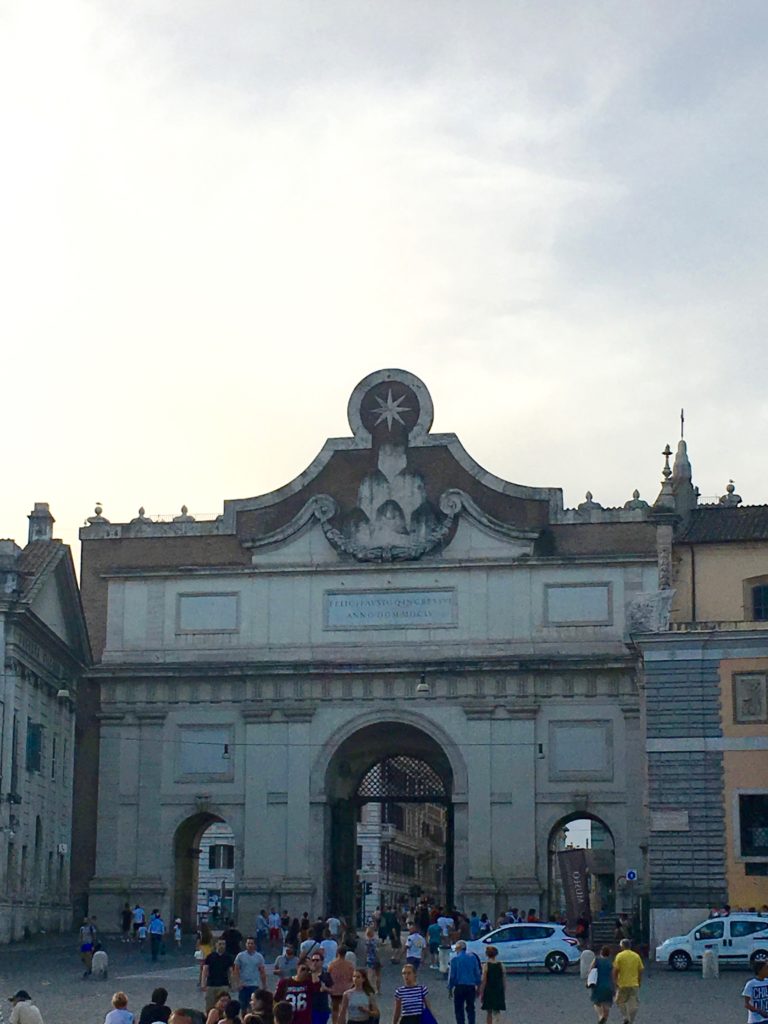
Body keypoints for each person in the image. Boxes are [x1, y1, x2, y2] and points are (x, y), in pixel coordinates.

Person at [448, 940, 481, 1024]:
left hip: (459, 987)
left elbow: (452, 976)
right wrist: (478, 986)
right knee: (471, 1008)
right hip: (470, 987)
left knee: (459, 1009)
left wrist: (450, 988)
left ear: (458, 949)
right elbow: (477, 972)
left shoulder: (455, 959)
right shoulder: (473, 958)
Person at [612, 938, 644, 1024]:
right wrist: (639, 980)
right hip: (634, 983)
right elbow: (640, 970)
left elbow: (615, 970)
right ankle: (631, 1020)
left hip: (622, 983)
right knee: (633, 1002)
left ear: (622, 946)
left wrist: (615, 981)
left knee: (619, 1001)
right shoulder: (636, 956)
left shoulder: (619, 956)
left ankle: (625, 1016)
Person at [234, 937, 269, 1009]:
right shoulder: (240, 956)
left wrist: (264, 985)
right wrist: (238, 983)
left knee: (254, 1006)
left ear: (254, 945)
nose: (250, 945)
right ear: (246, 945)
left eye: (251, 943)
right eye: (248, 943)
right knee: (243, 1006)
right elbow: (236, 970)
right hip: (243, 986)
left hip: (254, 985)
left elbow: (262, 972)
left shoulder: (259, 957)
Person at [202, 940, 236, 1012]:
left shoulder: (228, 957)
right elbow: (205, 970)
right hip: (211, 985)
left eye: (223, 944)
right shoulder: (210, 956)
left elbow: (230, 972)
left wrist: (232, 984)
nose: (222, 946)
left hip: (223, 985)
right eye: (220, 944)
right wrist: (203, 983)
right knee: (209, 1006)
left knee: (224, 1006)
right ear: (216, 945)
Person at [328, 945, 355, 1024]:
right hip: (346, 989)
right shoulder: (349, 965)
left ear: (337, 952)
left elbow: (328, 977)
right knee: (343, 1009)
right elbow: (352, 977)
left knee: (335, 1009)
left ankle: (334, 1022)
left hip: (335, 989)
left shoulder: (332, 964)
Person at [587, 946, 613, 1024]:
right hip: (608, 985)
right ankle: (604, 1017)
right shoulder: (611, 963)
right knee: (607, 1004)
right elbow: (613, 975)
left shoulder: (597, 960)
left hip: (597, 985)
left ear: (600, 952)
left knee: (596, 1002)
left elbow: (590, 970)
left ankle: (600, 1015)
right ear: (609, 954)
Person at [478, 945, 504, 1024]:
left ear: (487, 954)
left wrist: (481, 992)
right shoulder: (501, 965)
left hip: (489, 990)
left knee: (489, 1012)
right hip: (498, 990)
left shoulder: (486, 966)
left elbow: (484, 981)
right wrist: (503, 991)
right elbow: (504, 980)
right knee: (497, 1010)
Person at [308, 950, 333, 1024]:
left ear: (322, 962)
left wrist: (326, 989)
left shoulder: (326, 975)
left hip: (323, 1007)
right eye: (313, 960)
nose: (315, 962)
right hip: (311, 1007)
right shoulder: (308, 975)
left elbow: (332, 990)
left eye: (317, 960)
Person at [743, 959, 768, 1024]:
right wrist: (759, 1011)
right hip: (755, 1020)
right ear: (760, 970)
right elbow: (747, 1004)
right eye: (766, 969)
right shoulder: (751, 984)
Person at [364, 928, 382, 995]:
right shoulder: (375, 941)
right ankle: (378, 990)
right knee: (378, 975)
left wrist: (365, 959)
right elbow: (377, 951)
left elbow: (366, 952)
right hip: (376, 960)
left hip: (370, 960)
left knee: (370, 976)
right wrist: (379, 959)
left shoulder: (367, 942)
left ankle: (370, 989)